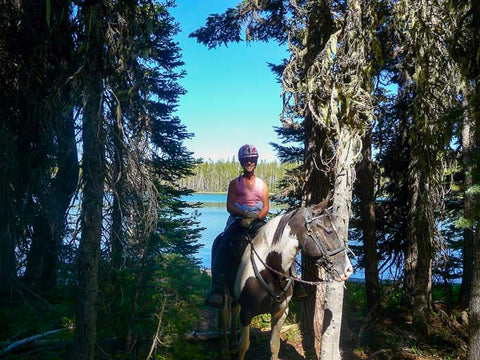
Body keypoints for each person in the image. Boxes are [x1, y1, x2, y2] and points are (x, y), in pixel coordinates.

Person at [205, 144, 269, 308]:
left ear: (255, 161)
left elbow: (266, 207)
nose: (249, 163)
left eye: (252, 160)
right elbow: (229, 206)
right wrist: (244, 215)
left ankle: (288, 283)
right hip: (237, 218)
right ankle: (217, 288)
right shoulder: (235, 183)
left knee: (274, 240)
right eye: (246, 160)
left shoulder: (262, 184)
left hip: (257, 219)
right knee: (223, 241)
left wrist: (256, 217)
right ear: (241, 162)